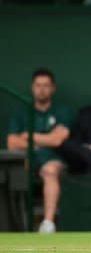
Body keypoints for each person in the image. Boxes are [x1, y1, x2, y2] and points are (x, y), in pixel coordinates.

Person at [6, 68, 72, 233]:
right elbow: (12, 143)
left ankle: (48, 223)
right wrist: (46, 138)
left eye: (46, 85)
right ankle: (16, 226)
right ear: (32, 87)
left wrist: (28, 136)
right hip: (28, 161)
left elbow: (57, 140)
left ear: (53, 88)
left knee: (50, 170)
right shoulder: (22, 112)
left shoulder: (63, 111)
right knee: (15, 171)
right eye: (38, 85)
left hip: (53, 160)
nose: (42, 90)